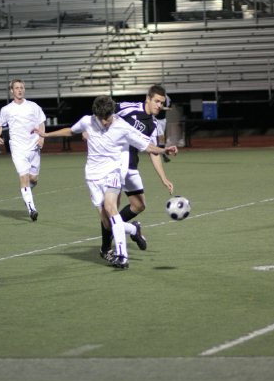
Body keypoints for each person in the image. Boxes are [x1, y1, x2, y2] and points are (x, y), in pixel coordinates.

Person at [35, 94, 177, 270]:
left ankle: (121, 256)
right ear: (96, 114)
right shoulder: (87, 121)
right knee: (107, 222)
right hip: (93, 176)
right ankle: (133, 230)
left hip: (114, 172)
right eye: (101, 119)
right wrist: (46, 134)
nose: (104, 123)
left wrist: (165, 151)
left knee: (111, 208)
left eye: (108, 118)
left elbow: (147, 146)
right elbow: (71, 130)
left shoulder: (123, 127)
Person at [99, 84, 174, 259]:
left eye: (161, 103)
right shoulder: (128, 107)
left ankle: (133, 229)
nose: (159, 106)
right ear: (147, 98)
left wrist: (164, 178)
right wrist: (95, 126)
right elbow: (105, 109)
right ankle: (105, 248)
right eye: (156, 101)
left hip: (131, 166)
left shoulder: (154, 124)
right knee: (110, 210)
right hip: (113, 166)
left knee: (139, 205)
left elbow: (153, 151)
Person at [0, 79, 46, 221]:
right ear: (12, 90)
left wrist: (42, 138)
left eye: (22, 87)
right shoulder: (7, 109)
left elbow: (41, 122)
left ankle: (26, 191)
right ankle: (32, 209)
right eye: (17, 88)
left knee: (33, 179)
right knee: (23, 177)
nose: (19, 90)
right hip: (17, 148)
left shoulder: (33, 106)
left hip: (34, 146)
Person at [156, 92, 172, 162]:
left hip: (163, 120)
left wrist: (162, 108)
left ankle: (161, 153)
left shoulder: (166, 98)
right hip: (155, 119)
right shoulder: (154, 97)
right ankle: (163, 154)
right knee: (161, 136)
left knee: (161, 138)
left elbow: (170, 108)